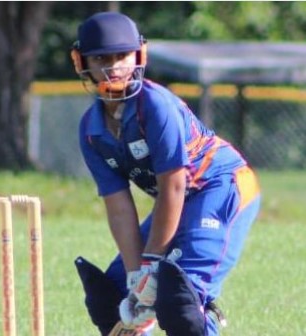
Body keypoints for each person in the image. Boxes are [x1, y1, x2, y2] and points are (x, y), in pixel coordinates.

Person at [71, 11, 261, 336]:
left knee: (178, 301)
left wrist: (151, 266)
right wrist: (135, 276)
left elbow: (173, 187)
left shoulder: (155, 106)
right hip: (177, 200)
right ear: (81, 62)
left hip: (221, 187)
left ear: (139, 55)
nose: (114, 66)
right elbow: (118, 206)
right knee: (112, 298)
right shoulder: (91, 131)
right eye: (102, 58)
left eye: (122, 56)